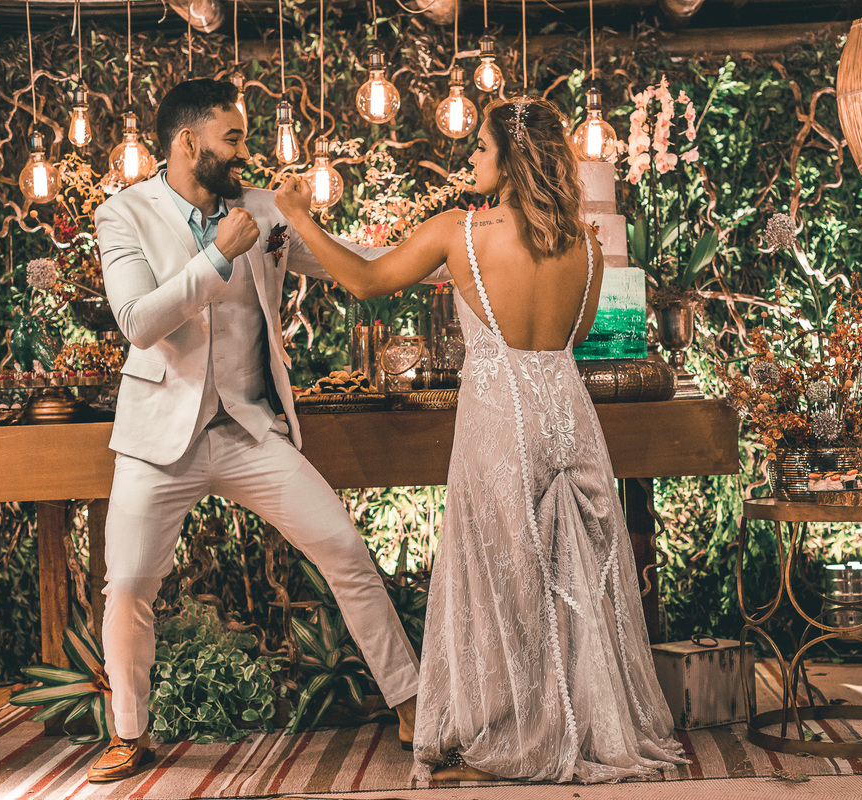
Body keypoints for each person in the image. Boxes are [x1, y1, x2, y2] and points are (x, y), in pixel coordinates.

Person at [275, 96, 686, 783]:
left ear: (512, 161)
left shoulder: (458, 232)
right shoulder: (584, 242)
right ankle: (583, 725)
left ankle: (516, 726)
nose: (470, 159)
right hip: (567, 410)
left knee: (501, 574)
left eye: (482, 150)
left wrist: (296, 217)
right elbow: (578, 337)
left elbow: (365, 280)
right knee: (576, 571)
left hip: (499, 415)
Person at [87, 78, 419, 783]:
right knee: (129, 584)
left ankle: (413, 701)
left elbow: (345, 261)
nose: (245, 152)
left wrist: (320, 221)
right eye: (232, 139)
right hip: (158, 439)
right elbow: (138, 323)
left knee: (343, 548)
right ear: (187, 143)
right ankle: (129, 732)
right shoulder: (123, 214)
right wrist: (217, 257)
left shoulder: (262, 212)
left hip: (247, 427)